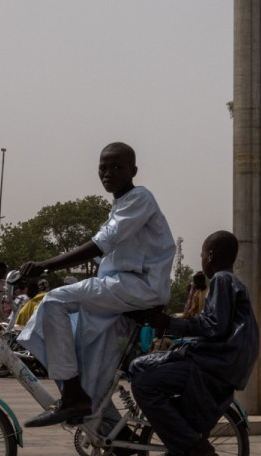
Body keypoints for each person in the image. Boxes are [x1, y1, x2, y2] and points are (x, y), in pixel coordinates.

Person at [17, 142, 177, 428]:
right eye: (103, 167)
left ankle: (72, 396)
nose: (108, 173)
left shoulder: (140, 198)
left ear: (133, 171)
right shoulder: (120, 206)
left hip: (136, 287)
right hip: (119, 290)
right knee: (89, 363)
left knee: (53, 301)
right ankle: (119, 440)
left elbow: (101, 244)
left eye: (117, 167)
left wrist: (46, 264)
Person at [133, 231, 261, 456]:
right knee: (139, 366)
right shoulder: (231, 283)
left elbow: (214, 326)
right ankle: (180, 443)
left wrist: (170, 323)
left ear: (210, 256)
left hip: (213, 364)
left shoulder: (223, 281)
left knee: (143, 382)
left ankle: (195, 449)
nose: (201, 259)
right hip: (217, 360)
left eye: (203, 253)